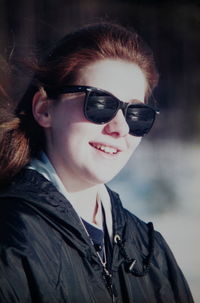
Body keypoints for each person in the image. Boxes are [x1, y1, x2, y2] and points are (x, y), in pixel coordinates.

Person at [0, 22, 194, 303]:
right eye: (100, 103)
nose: (121, 128)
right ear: (44, 109)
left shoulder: (150, 251)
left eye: (137, 114)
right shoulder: (10, 242)